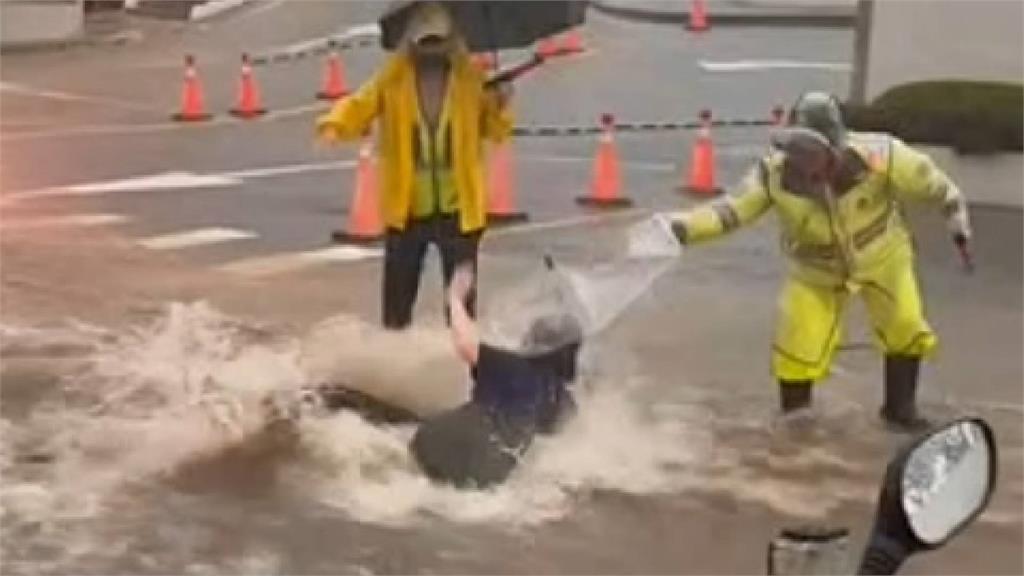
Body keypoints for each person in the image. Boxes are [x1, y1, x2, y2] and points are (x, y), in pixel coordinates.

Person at [649, 91, 972, 431]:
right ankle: (796, 418)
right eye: (797, 151)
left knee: (905, 324)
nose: (805, 162)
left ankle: (900, 408)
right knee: (797, 342)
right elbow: (731, 212)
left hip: (884, 257)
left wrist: (956, 222)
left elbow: (937, 187)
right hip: (815, 272)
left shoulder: (882, 156)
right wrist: (682, 228)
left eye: (814, 152)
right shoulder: (772, 175)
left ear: (835, 147)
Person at [316, 1, 514, 330]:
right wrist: (334, 125)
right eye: (425, 41)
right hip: (407, 209)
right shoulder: (393, 81)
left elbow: (496, 131)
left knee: (461, 305)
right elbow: (360, 104)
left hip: (459, 211)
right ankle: (393, 358)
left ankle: (462, 359)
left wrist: (501, 103)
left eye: (438, 40)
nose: (431, 49)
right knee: (397, 301)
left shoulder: (471, 81)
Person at [410, 264, 581, 488]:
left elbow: (465, 344)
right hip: (495, 471)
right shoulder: (560, 399)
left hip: (452, 444)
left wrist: (455, 299)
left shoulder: (508, 365)